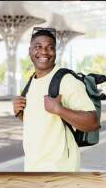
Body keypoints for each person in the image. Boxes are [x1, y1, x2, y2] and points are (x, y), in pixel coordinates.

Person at [13, 27, 99, 172]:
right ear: (30, 51)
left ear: (55, 52)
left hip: (60, 168)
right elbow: (40, 123)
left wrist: (59, 109)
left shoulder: (66, 80)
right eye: (38, 47)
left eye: (49, 48)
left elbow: (93, 122)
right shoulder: (30, 83)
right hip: (32, 166)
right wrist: (20, 113)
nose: (44, 52)